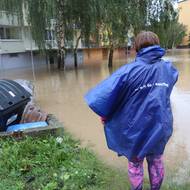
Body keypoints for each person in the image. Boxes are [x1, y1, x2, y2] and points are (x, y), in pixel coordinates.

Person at [84, 31, 178, 190]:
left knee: (135, 164)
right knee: (156, 160)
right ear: (157, 44)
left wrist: (106, 115)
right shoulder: (169, 68)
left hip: (136, 129)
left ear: (136, 47)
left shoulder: (128, 71)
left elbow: (102, 97)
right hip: (161, 124)